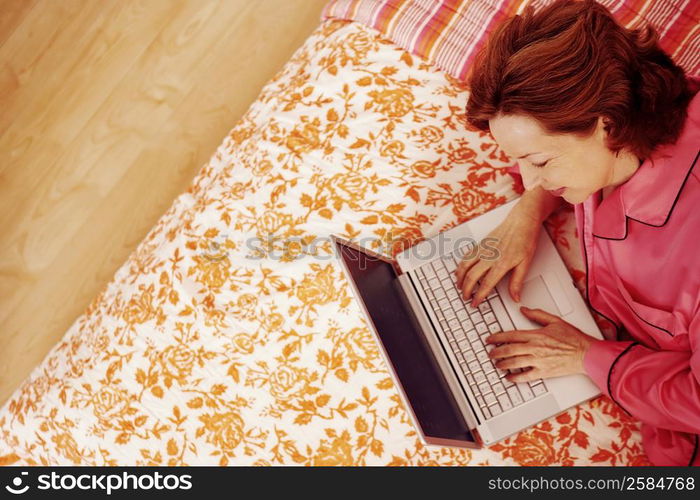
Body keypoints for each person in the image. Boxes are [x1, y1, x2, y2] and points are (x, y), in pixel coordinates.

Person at [460, 0, 699, 466]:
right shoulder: (620, 128)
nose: (527, 181)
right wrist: (528, 213)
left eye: (541, 162)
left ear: (607, 123)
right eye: (520, 160)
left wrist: (587, 356)